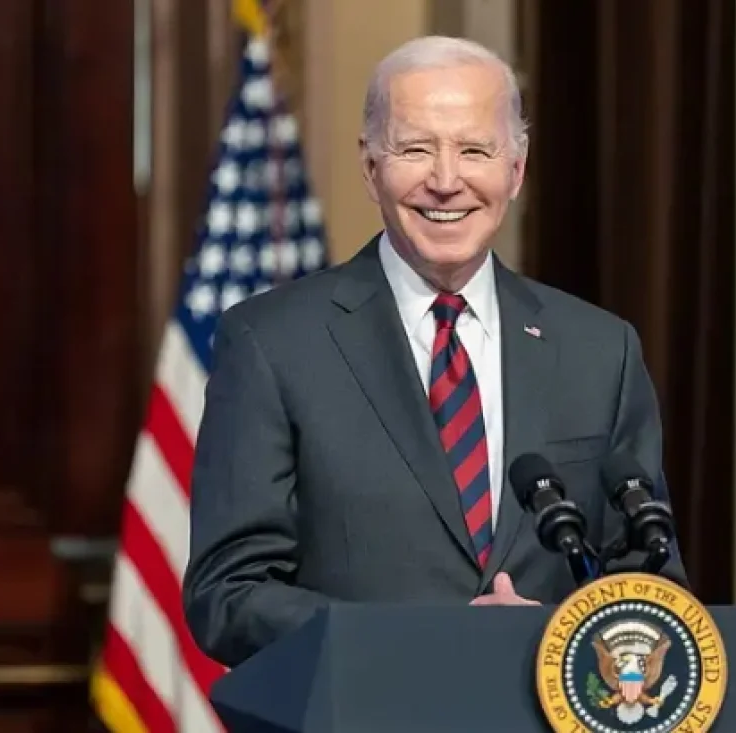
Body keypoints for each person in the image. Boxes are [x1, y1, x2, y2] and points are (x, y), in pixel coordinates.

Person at [182, 35, 687, 669]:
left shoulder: (600, 351)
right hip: (369, 705)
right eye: (416, 149)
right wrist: (424, 640)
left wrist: (555, 635)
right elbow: (227, 595)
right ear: (371, 166)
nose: (446, 182)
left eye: (475, 150)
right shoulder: (272, 344)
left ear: (516, 170)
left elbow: (653, 586)